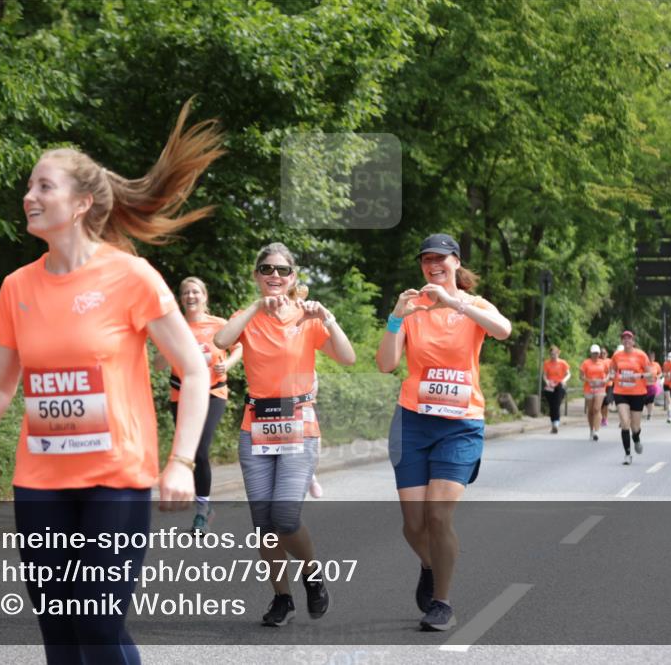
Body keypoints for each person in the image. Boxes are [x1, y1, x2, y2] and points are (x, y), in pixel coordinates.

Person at [0, 101, 224, 664]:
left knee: (97, 624)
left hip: (114, 478)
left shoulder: (129, 276)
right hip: (41, 480)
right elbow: (1, 383)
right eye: (29, 185)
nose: (29, 196)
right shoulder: (17, 287)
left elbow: (193, 370)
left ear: (80, 204)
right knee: (60, 632)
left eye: (43, 186)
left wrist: (180, 462)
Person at [214, 243, 355, 627]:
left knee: (285, 516)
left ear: (293, 276)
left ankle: (312, 575)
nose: (274, 275)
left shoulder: (308, 318)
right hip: (256, 427)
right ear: (257, 276)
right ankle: (282, 599)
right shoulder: (248, 315)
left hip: (299, 427)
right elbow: (221, 341)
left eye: (281, 269)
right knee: (263, 525)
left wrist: (329, 318)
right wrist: (257, 307)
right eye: (265, 269)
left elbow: (347, 357)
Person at [376, 233, 511, 631]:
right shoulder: (412, 308)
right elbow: (386, 364)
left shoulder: (473, 304)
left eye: (441, 258)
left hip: (461, 424)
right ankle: (431, 564)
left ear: (455, 262)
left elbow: (503, 330)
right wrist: (396, 316)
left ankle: (442, 602)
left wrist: (457, 304)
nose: (433, 265)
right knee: (413, 525)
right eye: (426, 259)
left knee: (438, 515)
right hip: (413, 421)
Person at [153, 276, 242, 535]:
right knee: (189, 452)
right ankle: (200, 503)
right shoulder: (175, 325)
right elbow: (158, 364)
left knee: (200, 449)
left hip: (214, 392)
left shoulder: (219, 324)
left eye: (195, 292)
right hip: (181, 394)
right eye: (186, 293)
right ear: (181, 299)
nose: (190, 297)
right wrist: (173, 348)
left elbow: (239, 348)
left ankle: (203, 511)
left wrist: (228, 364)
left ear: (204, 296)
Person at [609, 332, 650, 465]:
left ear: (633, 341)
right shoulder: (617, 356)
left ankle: (636, 439)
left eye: (629, 338)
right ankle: (627, 454)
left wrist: (639, 376)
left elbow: (650, 373)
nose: (626, 340)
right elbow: (612, 370)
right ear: (622, 341)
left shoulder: (641, 355)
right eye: (624, 338)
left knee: (635, 426)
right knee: (625, 423)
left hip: (638, 393)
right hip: (621, 392)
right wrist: (612, 375)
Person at [579, 344, 607, 441]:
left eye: (597, 353)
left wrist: (605, 380)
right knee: (590, 411)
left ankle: (597, 431)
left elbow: (609, 374)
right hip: (589, 388)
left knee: (596, 409)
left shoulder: (603, 363)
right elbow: (581, 376)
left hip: (600, 388)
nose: (596, 355)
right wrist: (588, 380)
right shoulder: (586, 363)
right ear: (591, 353)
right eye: (594, 353)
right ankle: (591, 429)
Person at [542, 346, 570, 434]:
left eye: (554, 354)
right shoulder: (547, 363)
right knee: (551, 406)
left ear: (558, 353)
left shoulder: (563, 363)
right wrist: (546, 381)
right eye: (551, 354)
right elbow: (544, 375)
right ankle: (553, 424)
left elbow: (568, 374)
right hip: (550, 386)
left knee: (556, 404)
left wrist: (563, 380)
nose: (553, 356)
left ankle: (556, 424)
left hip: (559, 385)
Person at [644, 350, 662, 421]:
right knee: (645, 401)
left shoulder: (656, 364)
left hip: (653, 385)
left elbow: (660, 373)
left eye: (653, 357)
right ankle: (648, 410)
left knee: (651, 400)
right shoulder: (645, 365)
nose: (651, 358)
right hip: (645, 385)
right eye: (650, 357)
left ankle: (649, 414)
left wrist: (658, 376)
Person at [599, 347, 612, 427]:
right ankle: (601, 418)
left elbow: (612, 371)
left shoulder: (610, 361)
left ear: (607, 354)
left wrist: (607, 378)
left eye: (604, 353)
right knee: (601, 403)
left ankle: (605, 418)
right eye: (601, 353)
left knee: (606, 402)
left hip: (608, 384)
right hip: (599, 385)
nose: (602, 354)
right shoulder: (598, 361)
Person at [662, 351, 671, 423]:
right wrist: (666, 374)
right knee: (669, 401)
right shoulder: (665, 363)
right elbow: (663, 373)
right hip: (667, 384)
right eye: (669, 358)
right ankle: (669, 416)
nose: (669, 360)